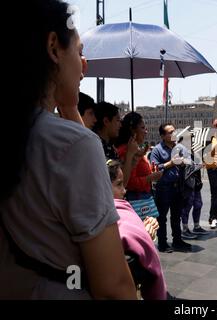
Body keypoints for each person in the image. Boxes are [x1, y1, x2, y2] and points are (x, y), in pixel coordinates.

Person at [0, 0, 136, 299]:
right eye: (79, 51)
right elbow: (114, 287)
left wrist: (70, 106)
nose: (84, 65)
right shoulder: (72, 146)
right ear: (53, 48)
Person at [107, 160, 167, 300]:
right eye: (119, 184)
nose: (124, 190)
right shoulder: (119, 210)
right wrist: (143, 234)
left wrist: (142, 227)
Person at [150, 123, 192, 252]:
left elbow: (188, 161)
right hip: (164, 187)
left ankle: (177, 240)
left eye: (174, 131)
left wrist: (185, 163)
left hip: (178, 186)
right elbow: (154, 168)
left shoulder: (179, 147)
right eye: (170, 132)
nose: (174, 134)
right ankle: (162, 243)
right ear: (163, 136)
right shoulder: (157, 150)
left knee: (176, 215)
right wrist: (171, 163)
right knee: (162, 217)